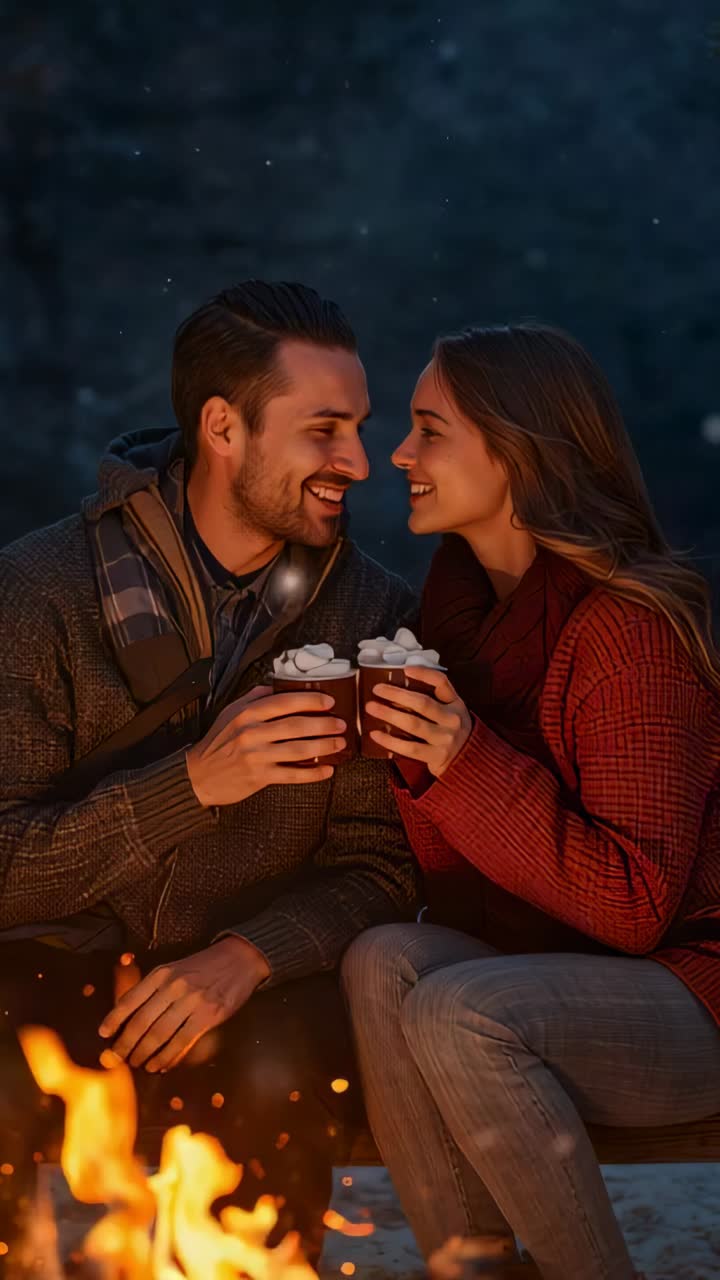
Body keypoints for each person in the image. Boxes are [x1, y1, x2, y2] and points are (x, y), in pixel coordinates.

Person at [0, 280, 418, 1267]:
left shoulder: (373, 615)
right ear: (223, 426)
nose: (358, 460)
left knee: (282, 1074)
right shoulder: (38, 594)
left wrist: (250, 953)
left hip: (261, 982)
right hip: (48, 966)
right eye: (324, 430)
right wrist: (191, 783)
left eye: (358, 426)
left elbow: (382, 868)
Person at [341, 323, 720, 1280]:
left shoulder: (628, 630)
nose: (398, 454)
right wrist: (418, 764)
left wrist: (463, 761)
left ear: (515, 451)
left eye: (430, 430)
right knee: (384, 960)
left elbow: (634, 909)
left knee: (460, 1010)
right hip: (563, 972)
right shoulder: (460, 623)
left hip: (695, 989)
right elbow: (467, 885)